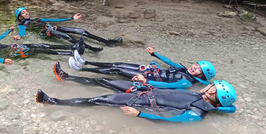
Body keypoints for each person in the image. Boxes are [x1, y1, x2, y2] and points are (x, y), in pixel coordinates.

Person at [36, 80, 237, 123]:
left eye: (214, 89)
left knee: (97, 100)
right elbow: (167, 90)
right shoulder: (198, 97)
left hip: (138, 102)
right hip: (143, 91)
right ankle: (69, 77)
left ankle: (53, 101)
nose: (210, 87)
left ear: (215, 97)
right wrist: (144, 83)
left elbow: (171, 123)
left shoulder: (197, 112)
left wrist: (139, 114)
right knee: (105, 82)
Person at [69, 47, 215, 88]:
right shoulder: (183, 70)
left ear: (201, 76)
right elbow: (170, 62)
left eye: (197, 70)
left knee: (117, 70)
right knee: (118, 64)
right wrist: (155, 54)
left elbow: (167, 87)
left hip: (148, 77)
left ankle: (80, 69)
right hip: (149, 70)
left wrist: (146, 81)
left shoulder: (186, 82)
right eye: (194, 65)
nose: (193, 68)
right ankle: (85, 62)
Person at [12, 7, 122, 50]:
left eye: (26, 11)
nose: (26, 13)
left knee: (81, 31)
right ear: (20, 17)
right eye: (23, 13)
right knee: (69, 37)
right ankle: (92, 48)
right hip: (47, 33)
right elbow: (22, 31)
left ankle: (107, 42)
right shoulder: (23, 24)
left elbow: (54, 20)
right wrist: (19, 36)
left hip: (54, 28)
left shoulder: (37, 18)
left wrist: (71, 18)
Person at [0, 29, 87, 63]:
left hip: (15, 47)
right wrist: (2, 61)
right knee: (41, 50)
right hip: (16, 53)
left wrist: (8, 31)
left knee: (41, 45)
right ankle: (71, 53)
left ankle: (73, 47)